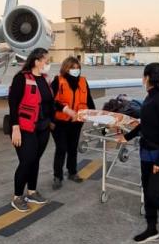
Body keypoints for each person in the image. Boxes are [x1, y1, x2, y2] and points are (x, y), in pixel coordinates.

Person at [117, 63, 159, 244]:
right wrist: (127, 136)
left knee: (154, 192)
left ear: (147, 78)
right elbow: (145, 122)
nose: (142, 79)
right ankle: (151, 228)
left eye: (143, 76)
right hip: (147, 150)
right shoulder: (152, 95)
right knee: (147, 190)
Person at [7, 48, 54, 212]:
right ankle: (17, 197)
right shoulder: (21, 78)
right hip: (25, 127)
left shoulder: (45, 79)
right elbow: (13, 104)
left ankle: (32, 192)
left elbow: (50, 103)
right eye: (46, 60)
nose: (48, 63)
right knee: (27, 161)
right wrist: (15, 128)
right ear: (36, 61)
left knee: (35, 160)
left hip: (43, 127)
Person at [50, 56, 95, 190]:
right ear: (66, 68)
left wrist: (94, 115)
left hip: (76, 122)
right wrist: (65, 110)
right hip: (60, 122)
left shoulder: (83, 81)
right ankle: (57, 176)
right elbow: (51, 101)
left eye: (77, 68)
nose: (76, 70)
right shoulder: (58, 81)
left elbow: (89, 100)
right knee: (61, 148)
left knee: (73, 148)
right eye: (72, 68)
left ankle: (72, 172)